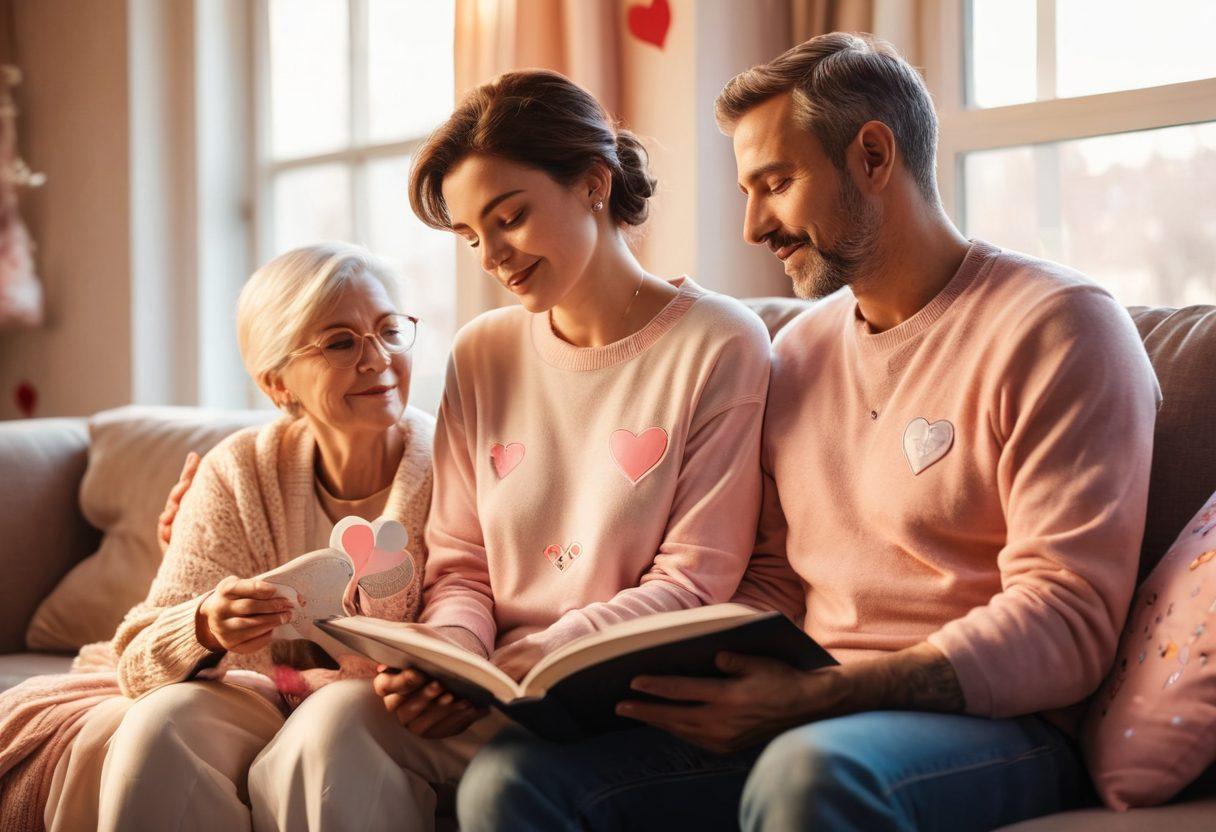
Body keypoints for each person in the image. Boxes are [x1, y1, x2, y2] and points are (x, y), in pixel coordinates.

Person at [455, 33, 1160, 832]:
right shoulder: (797, 352)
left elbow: (1068, 619)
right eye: (748, 192)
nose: (754, 226)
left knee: (805, 776)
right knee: (514, 778)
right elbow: (773, 574)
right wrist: (703, 682)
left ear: (871, 156)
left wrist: (825, 696)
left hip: (996, 727)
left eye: (777, 184)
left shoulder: (1059, 327)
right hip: (805, 711)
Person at [365, 67, 773, 805]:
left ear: (593, 183)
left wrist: (536, 656)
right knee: (330, 728)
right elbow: (461, 564)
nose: (491, 256)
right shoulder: (482, 353)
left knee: (493, 784)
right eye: (470, 236)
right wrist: (454, 659)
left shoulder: (721, 343)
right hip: (497, 680)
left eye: (510, 217)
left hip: (619, 692)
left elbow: (694, 580)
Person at [0, 243, 436, 831]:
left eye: (389, 330)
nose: (376, 358)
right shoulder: (237, 470)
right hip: (257, 689)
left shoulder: (451, 464)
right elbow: (142, 654)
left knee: (329, 727)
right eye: (340, 341)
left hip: (378, 706)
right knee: (158, 725)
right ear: (277, 381)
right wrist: (205, 624)